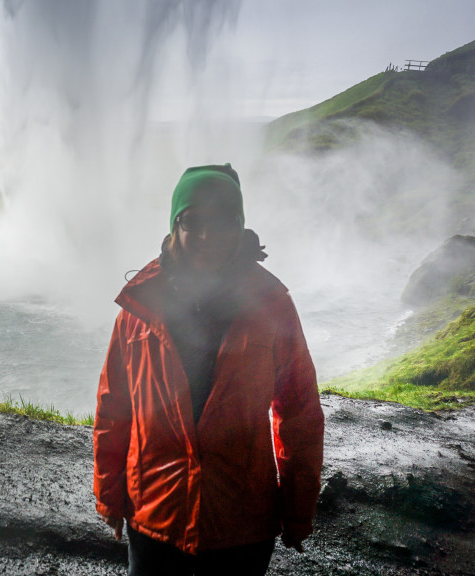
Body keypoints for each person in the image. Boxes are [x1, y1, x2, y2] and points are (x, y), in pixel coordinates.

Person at [93, 164, 324, 575]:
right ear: (174, 227)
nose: (205, 236)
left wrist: (298, 508)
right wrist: (110, 496)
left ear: (239, 227)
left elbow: (298, 413)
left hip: (242, 521)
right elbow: (114, 408)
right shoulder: (140, 306)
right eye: (192, 222)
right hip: (154, 513)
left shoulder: (272, 305)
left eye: (220, 222)